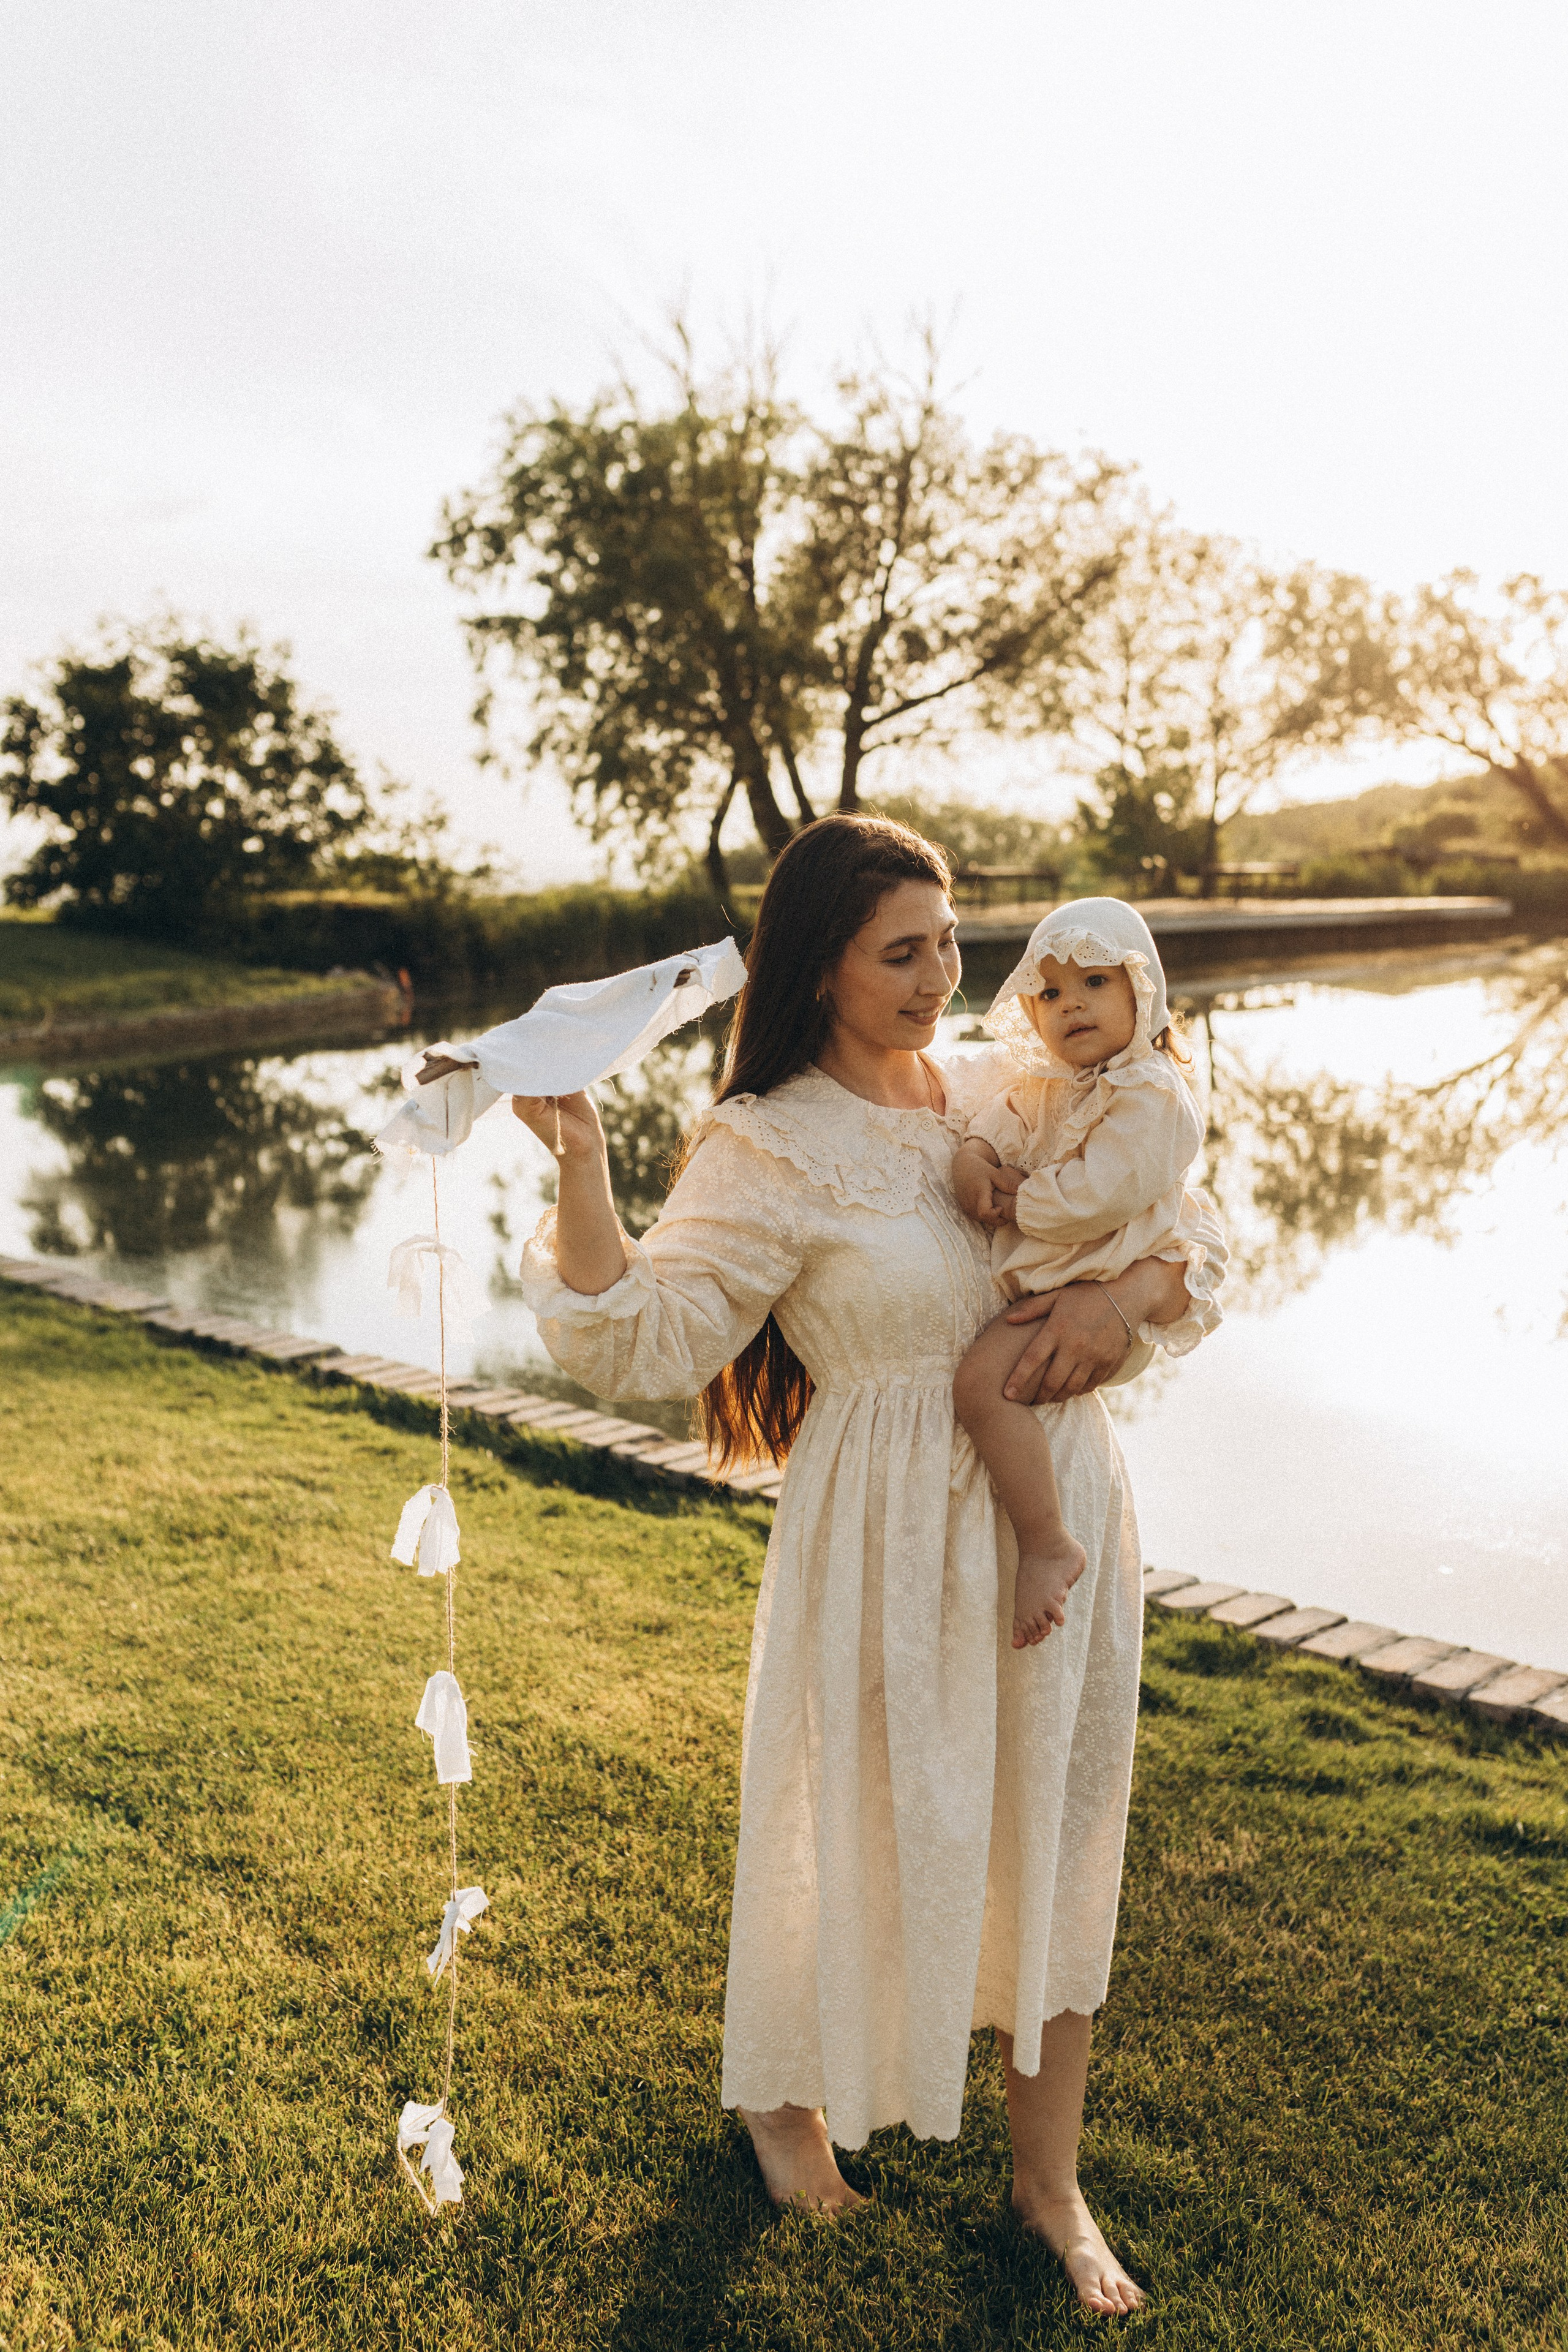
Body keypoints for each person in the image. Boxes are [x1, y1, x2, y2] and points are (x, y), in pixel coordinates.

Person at [513, 816, 1226, 2320]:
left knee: (1057, 1827)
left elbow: (1186, 1212)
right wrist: (582, 1160)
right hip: (887, 1528)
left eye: (948, 940)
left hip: (1063, 1507)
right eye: (898, 951)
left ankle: (1048, 2182)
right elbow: (636, 1336)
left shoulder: (1007, 1079)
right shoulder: (768, 1139)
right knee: (851, 1818)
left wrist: (1139, 1298)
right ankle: (784, 2100)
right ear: (818, 966)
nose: (938, 974)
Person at [950, 900, 1223, 1651]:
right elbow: (997, 1124)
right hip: (1063, 1287)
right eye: (1050, 993)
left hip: (1109, 1288)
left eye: (1095, 981)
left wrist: (1017, 1200)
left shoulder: (1152, 1093)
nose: (1071, 1003)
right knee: (996, 1388)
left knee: (979, 1385)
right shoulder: (1047, 1086)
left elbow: (1102, 1190)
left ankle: (1046, 1543)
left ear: (1142, 992)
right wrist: (975, 1158)